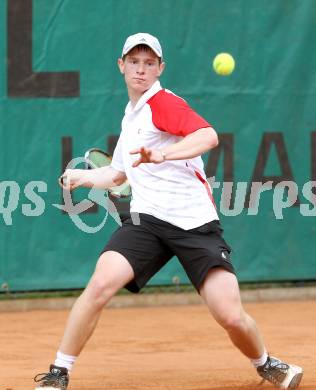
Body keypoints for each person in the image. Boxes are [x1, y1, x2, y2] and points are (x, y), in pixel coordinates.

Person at [34, 33, 303, 390]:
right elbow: (117, 173)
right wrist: (81, 177)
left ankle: (267, 363)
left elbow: (207, 136)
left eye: (148, 63)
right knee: (99, 284)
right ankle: (58, 372)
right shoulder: (131, 116)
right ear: (121, 66)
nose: (140, 70)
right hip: (147, 222)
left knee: (231, 316)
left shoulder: (162, 103)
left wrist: (163, 155)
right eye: (134, 62)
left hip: (194, 224)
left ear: (160, 68)